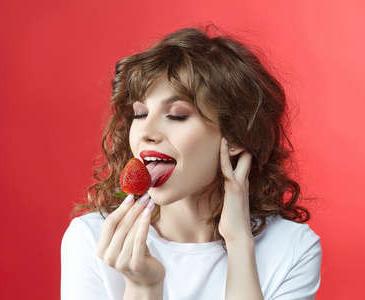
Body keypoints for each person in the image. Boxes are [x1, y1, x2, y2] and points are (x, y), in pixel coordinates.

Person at [61, 25, 322, 300]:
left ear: (234, 136)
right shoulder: (91, 240)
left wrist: (240, 246)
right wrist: (143, 289)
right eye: (139, 113)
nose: (147, 132)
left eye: (176, 115)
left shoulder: (292, 248)